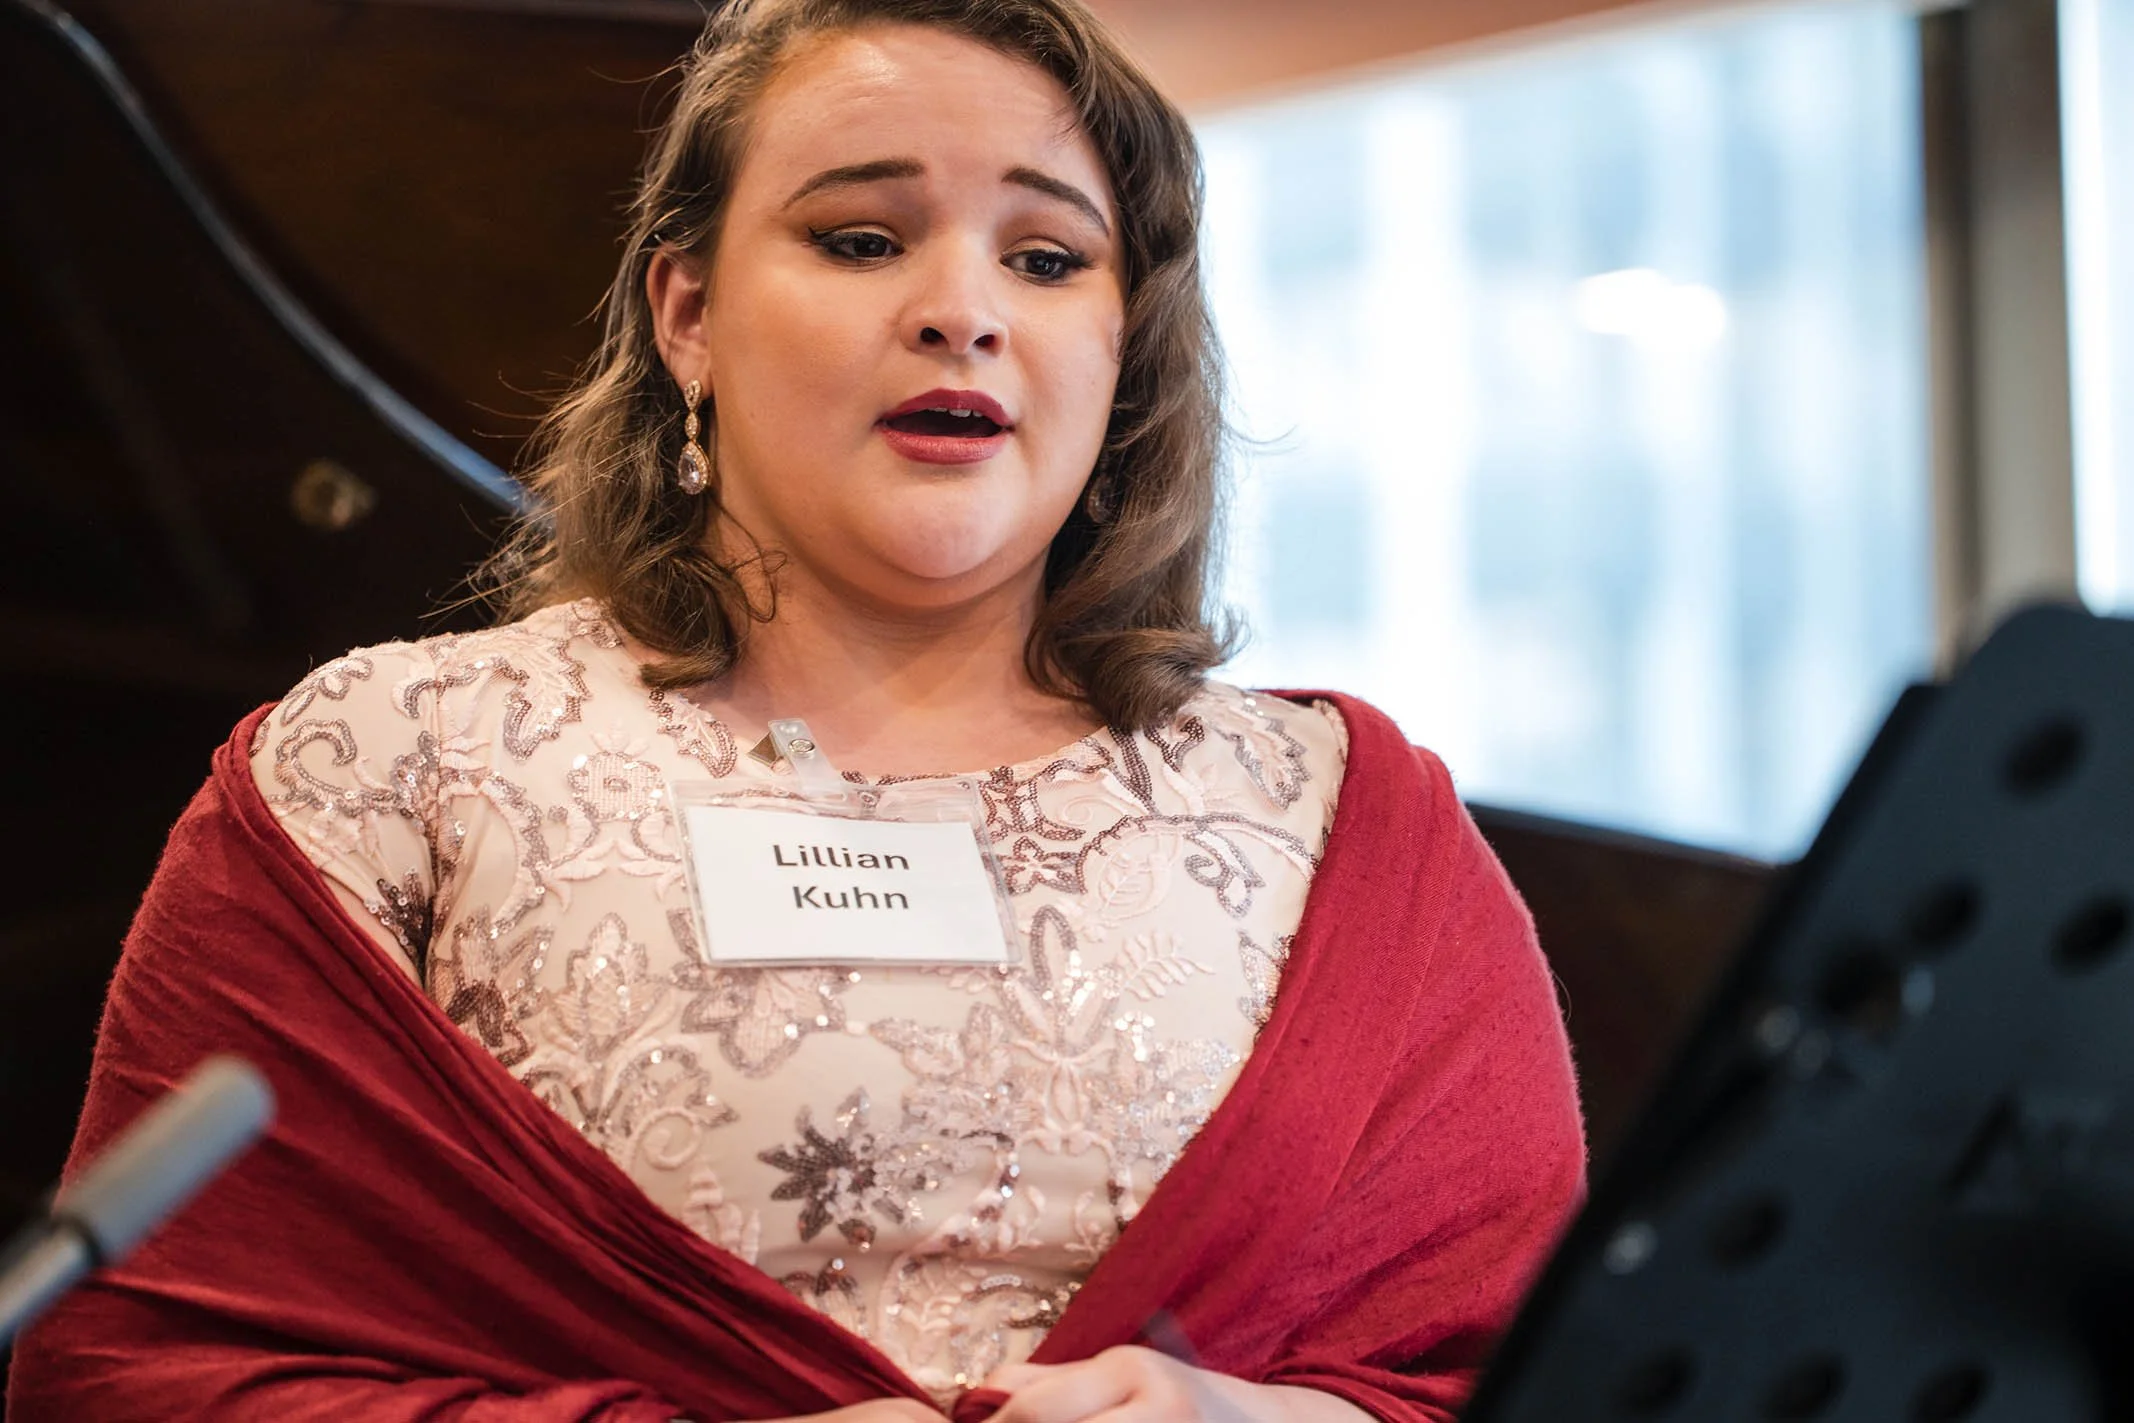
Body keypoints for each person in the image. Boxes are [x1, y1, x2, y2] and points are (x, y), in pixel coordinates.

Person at [7, 1, 1585, 1420]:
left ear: (1125, 345)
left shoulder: (1340, 818)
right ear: (686, 314)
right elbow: (132, 1381)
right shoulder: (384, 769)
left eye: (1047, 260)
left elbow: (1577, 1368)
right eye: (860, 238)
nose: (962, 307)